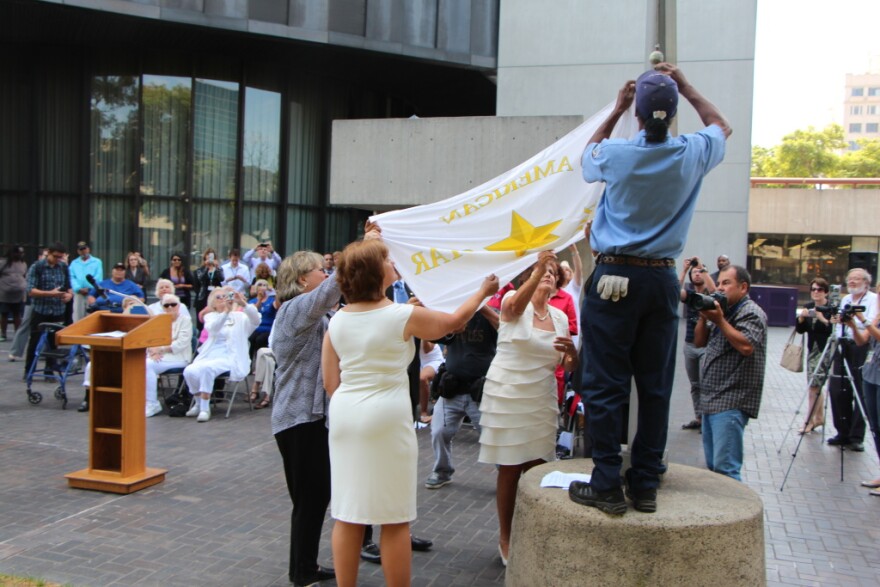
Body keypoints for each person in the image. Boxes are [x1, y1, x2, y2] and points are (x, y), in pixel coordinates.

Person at [570, 62, 730, 515]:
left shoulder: (617, 154)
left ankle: (605, 481)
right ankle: (644, 483)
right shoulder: (693, 151)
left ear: (637, 114)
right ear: (673, 113)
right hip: (661, 279)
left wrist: (616, 108)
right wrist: (686, 85)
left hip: (614, 276)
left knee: (605, 384)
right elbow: (722, 125)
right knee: (656, 387)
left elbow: (587, 156)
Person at [322, 238, 498, 587]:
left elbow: (331, 383)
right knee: (393, 516)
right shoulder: (402, 315)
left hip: (345, 416)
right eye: (387, 258)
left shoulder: (338, 320)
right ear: (376, 272)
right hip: (386, 415)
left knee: (348, 512)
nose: (392, 261)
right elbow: (451, 322)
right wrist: (482, 292)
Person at [478, 251, 576, 565]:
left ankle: (532, 533)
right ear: (526, 276)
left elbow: (566, 364)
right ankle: (505, 537)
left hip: (541, 396)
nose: (548, 274)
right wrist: (537, 269)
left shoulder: (560, 317)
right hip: (509, 395)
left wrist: (572, 353)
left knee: (537, 466)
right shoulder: (510, 302)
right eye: (540, 271)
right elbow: (516, 306)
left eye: (551, 271)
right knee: (509, 467)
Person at [271, 244, 355, 587]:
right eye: (322, 269)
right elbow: (333, 289)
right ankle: (302, 572)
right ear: (303, 279)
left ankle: (305, 566)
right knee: (311, 497)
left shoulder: (315, 315)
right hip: (298, 419)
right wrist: (362, 247)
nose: (327, 273)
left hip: (308, 418)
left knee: (312, 497)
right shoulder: (294, 310)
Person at [693, 265, 767, 481]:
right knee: (714, 466)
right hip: (712, 399)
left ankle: (737, 512)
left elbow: (746, 347)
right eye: (718, 283)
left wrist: (719, 320)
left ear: (743, 287)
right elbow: (699, 342)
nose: (719, 288)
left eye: (726, 283)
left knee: (726, 470)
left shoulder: (751, 312)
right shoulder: (724, 311)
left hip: (732, 400)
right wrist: (702, 316)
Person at [425, 306, 499, 489]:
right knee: (438, 432)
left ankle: (508, 478)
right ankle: (442, 471)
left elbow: (505, 329)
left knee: (493, 438)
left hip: (480, 391)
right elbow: (434, 335)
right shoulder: (453, 314)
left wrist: (482, 306)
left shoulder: (490, 314)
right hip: (452, 387)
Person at [183, 288, 259, 422]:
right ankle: (198, 402)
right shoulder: (210, 317)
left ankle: (205, 408)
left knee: (207, 369)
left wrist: (244, 304)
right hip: (211, 354)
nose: (223, 299)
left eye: (225, 296)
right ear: (213, 304)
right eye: (219, 297)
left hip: (231, 357)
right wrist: (225, 312)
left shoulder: (240, 317)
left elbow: (256, 320)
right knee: (189, 371)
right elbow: (214, 328)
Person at [826, 268, 877, 452]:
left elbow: (868, 327)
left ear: (866, 282)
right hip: (842, 343)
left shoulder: (872, 300)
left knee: (860, 389)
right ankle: (842, 432)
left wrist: (855, 324)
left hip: (862, 346)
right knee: (837, 388)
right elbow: (838, 320)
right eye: (850, 279)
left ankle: (856, 436)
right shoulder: (846, 299)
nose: (853, 282)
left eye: (857, 279)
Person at [845, 293, 880, 495]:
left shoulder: (870, 319)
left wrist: (863, 319)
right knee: (875, 426)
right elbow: (862, 341)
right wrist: (852, 325)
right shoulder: (877, 317)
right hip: (871, 372)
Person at [24, 242, 73, 377]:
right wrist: (50, 293)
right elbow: (31, 290)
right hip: (41, 310)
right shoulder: (37, 267)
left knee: (53, 343)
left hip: (57, 310)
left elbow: (69, 287)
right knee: (35, 341)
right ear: (48, 253)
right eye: (56, 256)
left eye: (60, 257)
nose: (58, 260)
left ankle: (49, 369)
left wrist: (69, 295)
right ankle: (29, 370)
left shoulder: (63, 267)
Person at [679, 257, 716, 430]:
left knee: (705, 383)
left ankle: (708, 420)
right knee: (695, 384)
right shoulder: (690, 294)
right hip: (689, 344)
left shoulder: (710, 296)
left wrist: (701, 266)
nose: (697, 275)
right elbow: (674, 292)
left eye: (700, 272)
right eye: (695, 273)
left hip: (706, 345)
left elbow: (715, 290)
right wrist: (684, 270)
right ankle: (699, 418)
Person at [794, 278, 833, 434]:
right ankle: (819, 417)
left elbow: (833, 330)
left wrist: (823, 318)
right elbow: (800, 330)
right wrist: (802, 319)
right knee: (816, 385)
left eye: (820, 290)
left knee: (813, 386)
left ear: (826, 292)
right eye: (813, 289)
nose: (816, 292)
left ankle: (808, 421)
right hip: (812, 351)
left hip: (825, 351)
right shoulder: (808, 307)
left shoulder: (830, 308)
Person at [145, 294, 193, 417]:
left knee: (148, 365)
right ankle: (144, 401)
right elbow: (151, 339)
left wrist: (160, 350)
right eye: (166, 305)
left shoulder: (185, 320)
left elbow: (182, 343)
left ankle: (152, 403)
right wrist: (152, 351)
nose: (170, 307)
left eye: (173, 304)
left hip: (180, 357)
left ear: (179, 306)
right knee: (142, 363)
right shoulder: (160, 321)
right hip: (161, 357)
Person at [68, 241, 103, 322]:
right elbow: (71, 277)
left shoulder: (97, 262)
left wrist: (91, 288)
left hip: (91, 293)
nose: (83, 251)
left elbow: (98, 277)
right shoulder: (74, 263)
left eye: (85, 249)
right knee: (77, 317)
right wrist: (78, 288)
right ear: (78, 251)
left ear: (88, 249)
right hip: (79, 293)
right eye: (81, 250)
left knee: (91, 317)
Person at [0, 245, 28, 341]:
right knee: (4, 314)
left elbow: (24, 275)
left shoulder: (23, 263)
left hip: (18, 294)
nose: (21, 255)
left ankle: (17, 334)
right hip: (5, 294)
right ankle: (3, 334)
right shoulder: (3, 262)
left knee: (17, 314)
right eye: (19, 253)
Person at [247, 278, 278, 362]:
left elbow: (276, 306)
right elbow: (254, 311)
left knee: (260, 340)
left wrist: (274, 292)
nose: (262, 287)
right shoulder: (252, 301)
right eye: (260, 285)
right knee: (250, 339)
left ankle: (259, 364)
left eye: (264, 285)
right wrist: (259, 300)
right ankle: (248, 363)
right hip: (257, 327)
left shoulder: (272, 300)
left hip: (268, 327)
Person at [192, 249, 224, 324]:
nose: (210, 259)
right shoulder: (200, 270)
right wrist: (207, 267)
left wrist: (217, 267)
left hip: (215, 297)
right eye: (208, 257)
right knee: (201, 322)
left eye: (211, 257)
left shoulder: (218, 269)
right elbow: (201, 278)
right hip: (202, 297)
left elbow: (222, 278)